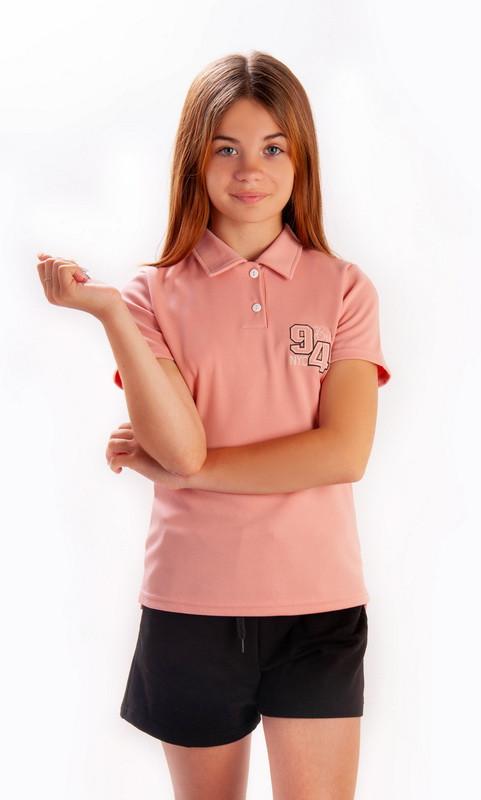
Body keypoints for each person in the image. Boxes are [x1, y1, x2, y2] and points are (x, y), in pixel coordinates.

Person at [37, 50, 391, 800]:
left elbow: (343, 452)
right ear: (194, 162)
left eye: (272, 148)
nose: (248, 170)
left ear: (301, 160)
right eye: (225, 149)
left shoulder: (344, 289)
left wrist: (189, 475)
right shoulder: (148, 297)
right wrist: (109, 314)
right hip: (190, 605)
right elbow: (180, 445)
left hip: (317, 605)